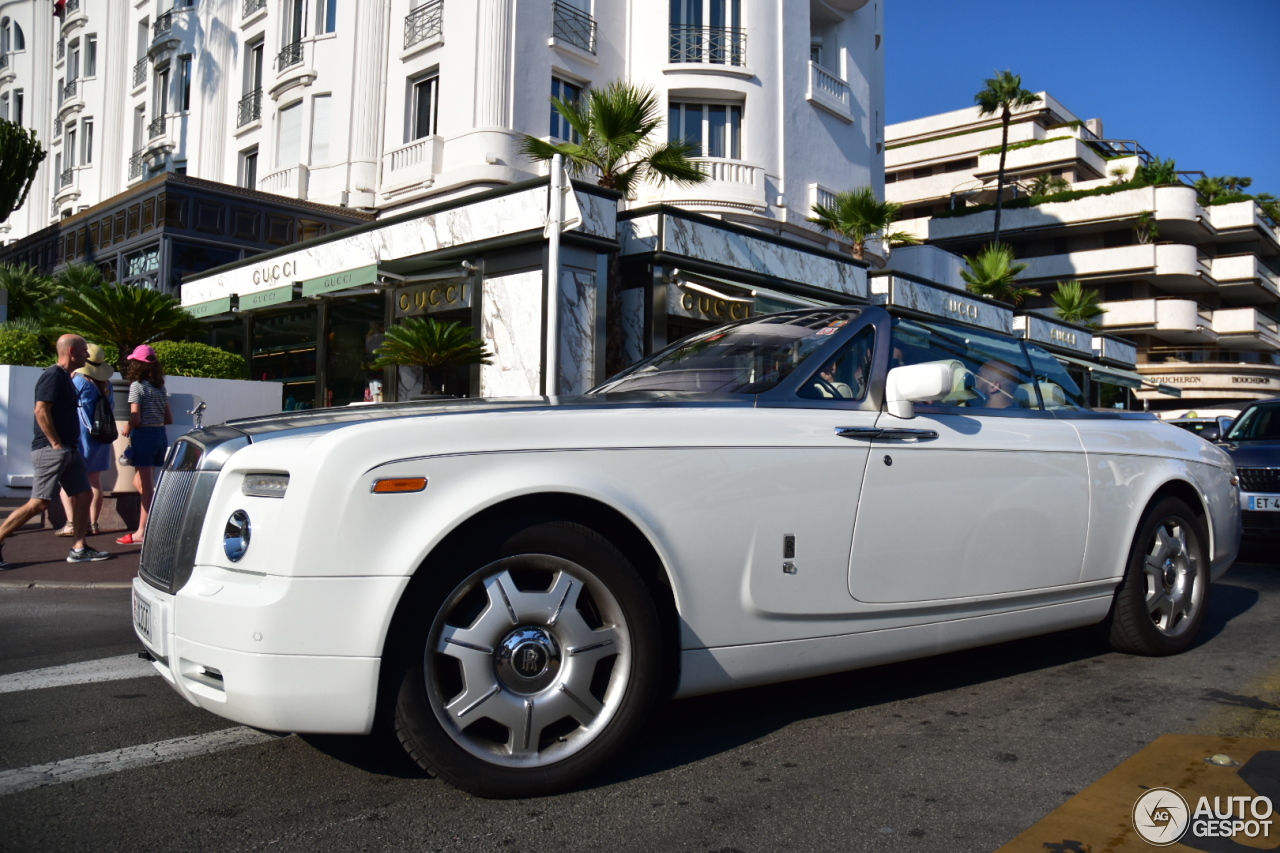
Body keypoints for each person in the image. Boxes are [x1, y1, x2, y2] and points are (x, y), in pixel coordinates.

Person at [0, 335, 113, 568]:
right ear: (71, 352)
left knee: (84, 495)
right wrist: (55, 443)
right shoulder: (52, 375)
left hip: (69, 450)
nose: (87, 355)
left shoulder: (67, 378)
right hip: (51, 450)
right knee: (39, 503)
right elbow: (41, 411)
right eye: (84, 351)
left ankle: (79, 548)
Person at [56, 343, 116, 537]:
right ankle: (93, 523)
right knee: (95, 482)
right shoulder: (108, 385)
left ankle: (72, 524)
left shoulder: (79, 382)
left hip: (80, 436)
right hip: (101, 438)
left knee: (67, 482)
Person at [117, 344, 173, 546]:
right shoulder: (160, 387)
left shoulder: (137, 386)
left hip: (145, 435)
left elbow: (136, 417)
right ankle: (157, 513)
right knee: (140, 483)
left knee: (146, 486)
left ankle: (142, 531)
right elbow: (169, 418)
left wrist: (128, 427)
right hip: (160, 435)